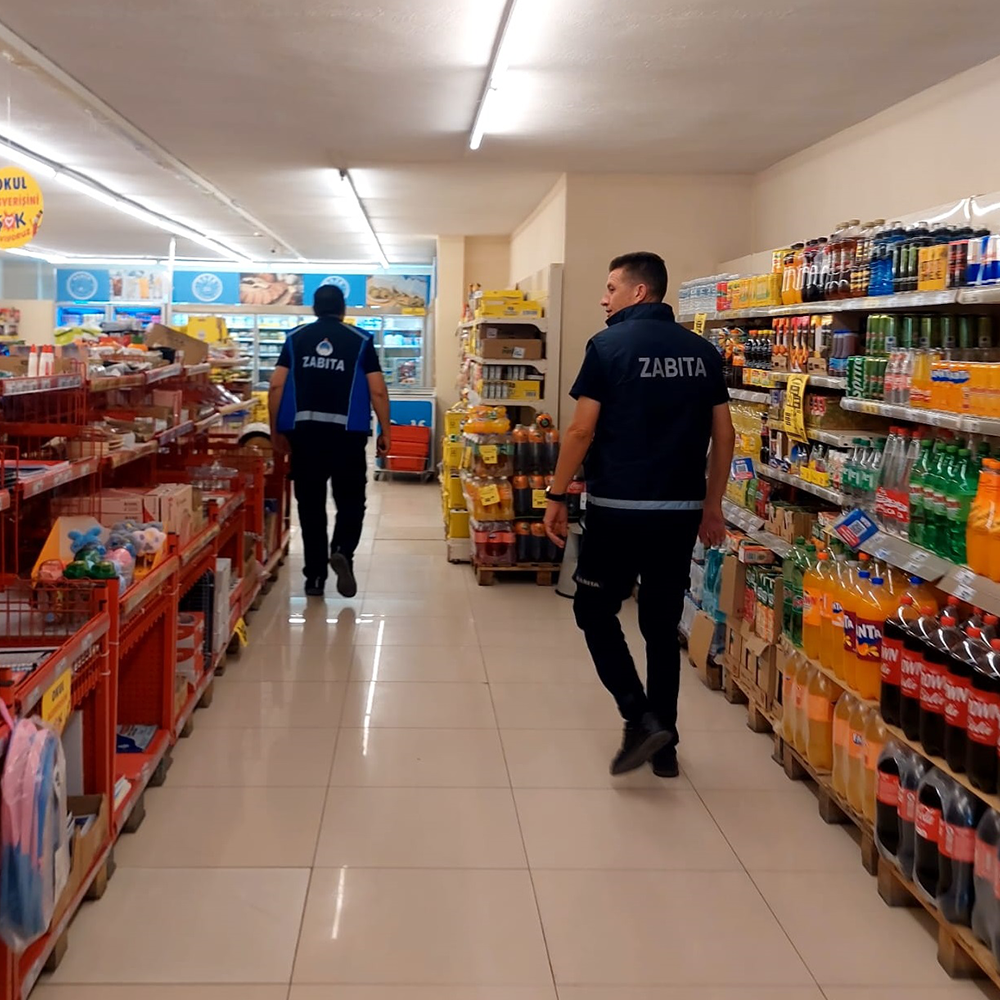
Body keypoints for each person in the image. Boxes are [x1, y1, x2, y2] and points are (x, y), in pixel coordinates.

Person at [544, 251, 734, 778]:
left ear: (638, 291)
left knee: (593, 610)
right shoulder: (702, 352)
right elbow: (724, 435)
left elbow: (581, 430)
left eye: (611, 288)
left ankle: (639, 715)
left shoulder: (607, 347)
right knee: (659, 624)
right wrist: (712, 504)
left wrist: (556, 495)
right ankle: (665, 749)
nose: (603, 299)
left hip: (619, 510)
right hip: (680, 512)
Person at [269, 284, 391, 598]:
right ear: (343, 309)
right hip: (347, 436)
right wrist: (386, 430)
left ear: (314, 308)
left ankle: (314, 578)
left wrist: (275, 431)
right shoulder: (360, 340)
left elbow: (276, 386)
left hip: (305, 435)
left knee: (310, 506)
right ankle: (342, 550)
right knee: (351, 502)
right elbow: (377, 390)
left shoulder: (295, 338)